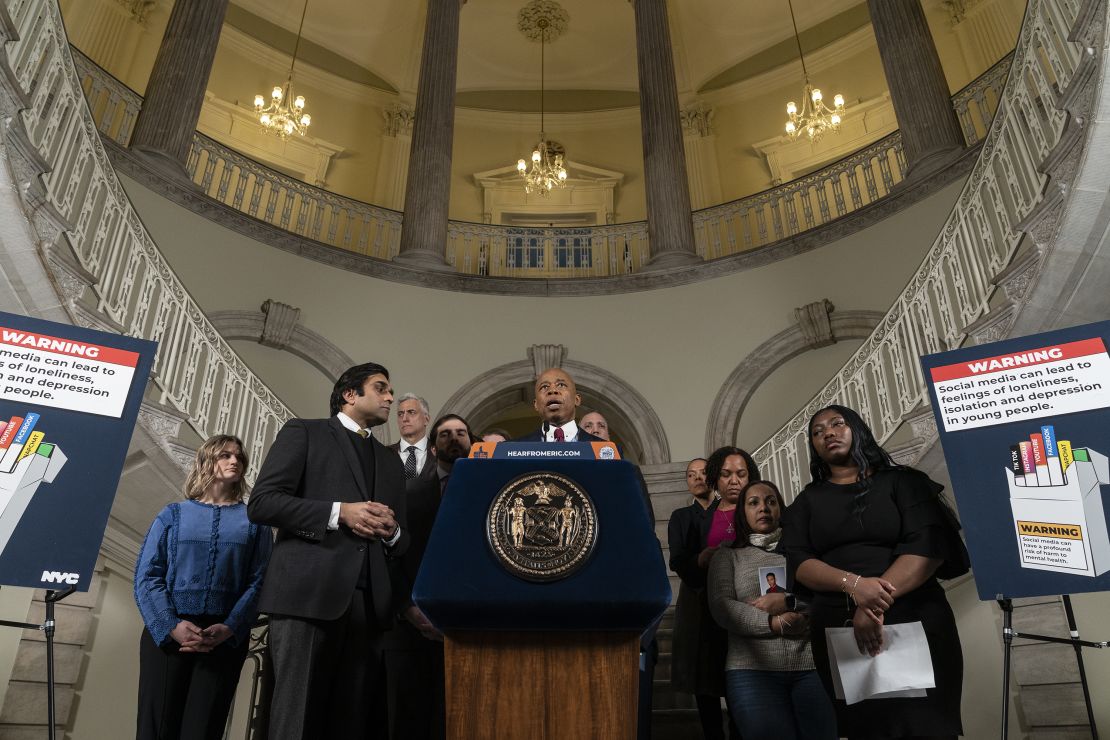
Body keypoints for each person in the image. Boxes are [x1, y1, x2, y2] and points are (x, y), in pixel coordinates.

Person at [783, 405, 968, 740]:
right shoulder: (807, 501)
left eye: (837, 424)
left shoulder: (903, 482)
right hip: (839, 628)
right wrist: (853, 586)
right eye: (817, 430)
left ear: (857, 429)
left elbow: (926, 547)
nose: (828, 432)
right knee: (866, 728)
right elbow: (799, 561)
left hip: (915, 617)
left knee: (926, 726)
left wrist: (870, 604)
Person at [247, 363, 409, 740]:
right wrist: (339, 513)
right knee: (296, 721)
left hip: (370, 609)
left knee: (353, 724)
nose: (390, 397)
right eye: (381, 388)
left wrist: (392, 531)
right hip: (306, 599)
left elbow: (404, 541)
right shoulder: (305, 432)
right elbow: (263, 503)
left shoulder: (390, 461)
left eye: (390, 390)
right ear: (350, 394)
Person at [517, 367, 657, 740]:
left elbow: (639, 523)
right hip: (535, 587)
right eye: (544, 388)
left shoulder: (608, 454)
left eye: (561, 385)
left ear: (576, 399)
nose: (552, 392)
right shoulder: (514, 451)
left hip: (597, 586)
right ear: (535, 404)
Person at [134, 434, 272, 740]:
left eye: (239, 457)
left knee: (203, 731)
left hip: (223, 640)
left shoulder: (255, 522)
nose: (234, 461)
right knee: (155, 730)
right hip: (169, 637)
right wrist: (172, 626)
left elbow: (259, 581)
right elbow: (147, 576)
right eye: (225, 455)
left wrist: (230, 627)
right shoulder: (172, 515)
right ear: (206, 461)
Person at [707, 480, 837, 740]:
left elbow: (826, 596)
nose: (763, 508)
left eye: (771, 501)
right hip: (751, 672)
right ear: (742, 512)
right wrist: (773, 624)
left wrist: (793, 604)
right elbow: (722, 607)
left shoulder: (803, 554)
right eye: (753, 503)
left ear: (780, 509)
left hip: (811, 666)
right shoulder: (728, 556)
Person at [385, 413, 474, 740]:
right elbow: (390, 555)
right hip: (413, 629)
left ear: (472, 443)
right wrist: (408, 607)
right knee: (413, 721)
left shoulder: (491, 494)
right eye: (445, 434)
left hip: (471, 627)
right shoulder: (406, 494)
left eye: (461, 433)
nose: (454, 438)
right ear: (433, 449)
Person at [667, 457, 738, 740]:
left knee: (735, 675)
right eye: (690, 475)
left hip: (735, 597)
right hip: (697, 599)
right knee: (703, 679)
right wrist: (701, 559)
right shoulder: (681, 517)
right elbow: (678, 561)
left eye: (702, 473)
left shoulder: (734, 512)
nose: (697, 478)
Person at [392, 393, 436, 481]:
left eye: (411, 412)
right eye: (400, 414)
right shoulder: (383, 454)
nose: (404, 419)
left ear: (426, 419)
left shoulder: (439, 452)